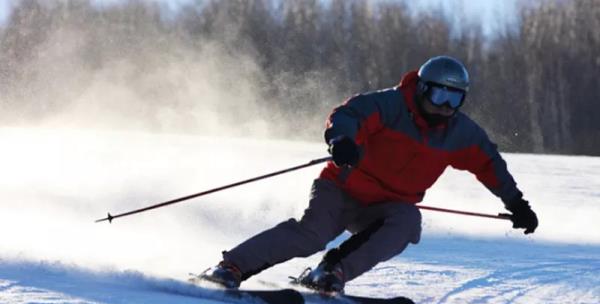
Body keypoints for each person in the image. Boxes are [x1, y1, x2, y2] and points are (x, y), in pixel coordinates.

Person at [203, 55, 538, 291]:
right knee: (312, 235)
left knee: (407, 222)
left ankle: (330, 272)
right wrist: (341, 141)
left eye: (455, 99)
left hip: (386, 206)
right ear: (422, 89)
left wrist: (516, 203)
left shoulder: (461, 133)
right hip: (343, 187)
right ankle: (231, 266)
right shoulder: (390, 105)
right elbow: (348, 115)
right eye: (439, 94)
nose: (445, 106)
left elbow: (489, 164)